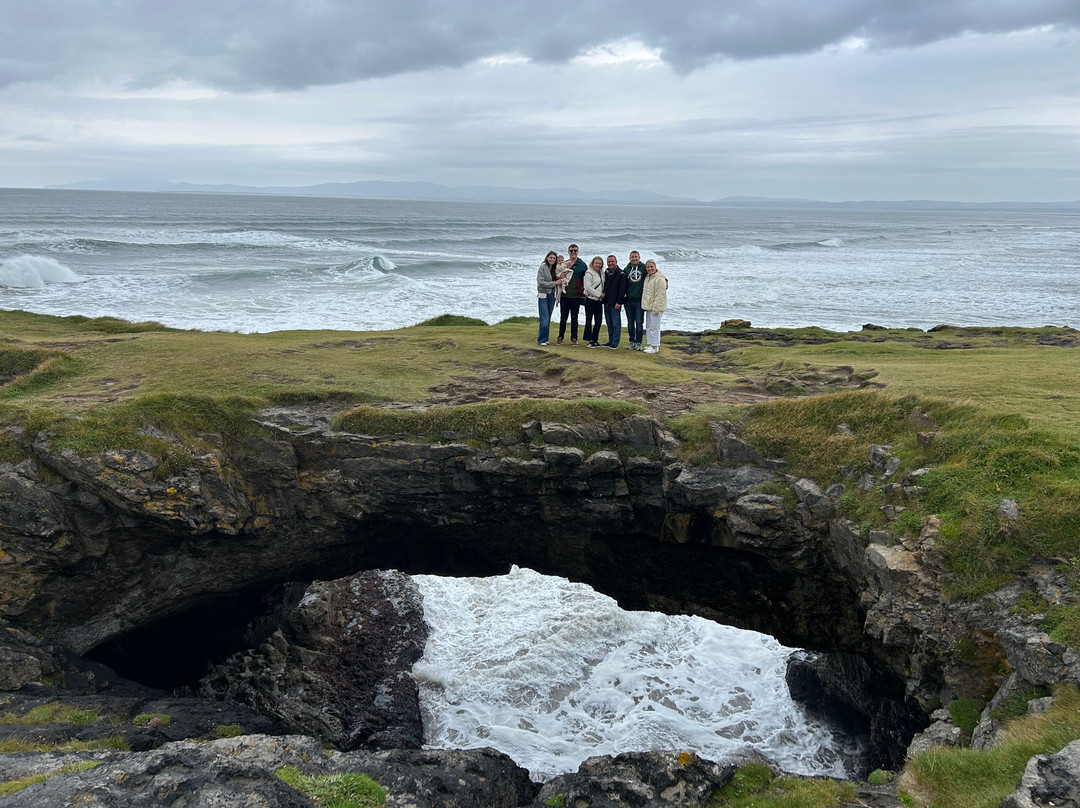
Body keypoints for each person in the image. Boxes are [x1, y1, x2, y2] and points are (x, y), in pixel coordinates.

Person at [557, 244, 587, 345]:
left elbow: (586, 279)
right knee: (563, 317)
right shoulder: (564, 264)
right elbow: (557, 275)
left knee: (574, 318)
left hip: (576, 296)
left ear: (578, 252)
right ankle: (560, 337)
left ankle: (574, 338)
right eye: (571, 251)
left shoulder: (582, 264)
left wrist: (584, 293)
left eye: (575, 251)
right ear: (568, 252)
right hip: (565, 295)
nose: (573, 253)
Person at [535, 250, 564, 346]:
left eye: (554, 258)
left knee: (548, 318)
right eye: (550, 257)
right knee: (544, 318)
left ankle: (545, 338)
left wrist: (560, 278)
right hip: (543, 295)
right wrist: (554, 283)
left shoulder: (554, 269)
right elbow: (541, 283)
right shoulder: (542, 268)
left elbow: (556, 279)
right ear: (547, 258)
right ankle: (541, 340)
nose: (552, 259)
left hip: (552, 295)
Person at [641, 259, 668, 354]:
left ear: (655, 267)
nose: (649, 268)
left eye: (651, 266)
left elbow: (660, 295)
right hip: (649, 306)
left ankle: (655, 346)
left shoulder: (659, 278)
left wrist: (656, 308)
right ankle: (652, 345)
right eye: (648, 267)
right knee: (649, 326)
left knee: (654, 327)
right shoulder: (649, 277)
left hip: (656, 307)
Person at [601, 254, 627, 349]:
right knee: (609, 323)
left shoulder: (621, 273)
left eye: (612, 261)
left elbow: (623, 289)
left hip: (615, 303)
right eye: (609, 262)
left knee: (616, 323)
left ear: (616, 262)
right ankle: (610, 340)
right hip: (606, 302)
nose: (611, 263)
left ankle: (615, 342)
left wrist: (619, 302)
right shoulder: (606, 272)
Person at [623, 250, 646, 351]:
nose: (634, 258)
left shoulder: (644, 268)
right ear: (629, 258)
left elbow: (655, 273)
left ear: (639, 257)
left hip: (639, 301)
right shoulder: (626, 270)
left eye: (636, 257)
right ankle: (631, 341)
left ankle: (639, 343)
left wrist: (665, 281)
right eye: (632, 257)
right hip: (628, 301)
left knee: (639, 322)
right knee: (630, 323)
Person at [582, 255, 605, 347]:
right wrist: (599, 294)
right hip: (590, 300)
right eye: (596, 263)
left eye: (600, 263)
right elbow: (587, 288)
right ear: (593, 263)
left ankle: (595, 339)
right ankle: (589, 340)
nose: (598, 265)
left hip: (599, 301)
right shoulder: (588, 273)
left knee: (598, 320)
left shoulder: (602, 273)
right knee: (589, 320)